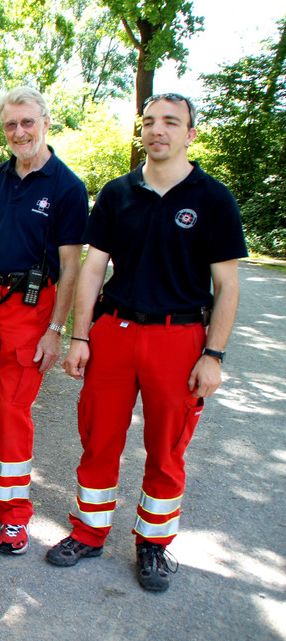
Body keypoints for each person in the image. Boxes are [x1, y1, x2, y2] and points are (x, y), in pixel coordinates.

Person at [47, 93, 246, 592]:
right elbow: (93, 269)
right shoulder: (118, 193)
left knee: (166, 447)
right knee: (99, 438)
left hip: (179, 338)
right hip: (114, 333)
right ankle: (88, 532)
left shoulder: (213, 198)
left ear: (190, 134)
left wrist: (213, 355)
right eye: (150, 121)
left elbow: (227, 286)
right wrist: (79, 336)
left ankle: (153, 544)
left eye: (171, 122)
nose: (158, 130)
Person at [0, 87, 86, 555]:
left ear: (45, 122)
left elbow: (71, 267)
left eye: (27, 122)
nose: (19, 131)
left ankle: (15, 515)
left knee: (13, 409)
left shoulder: (66, 187)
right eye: (10, 124)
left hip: (30, 309)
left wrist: (56, 330)